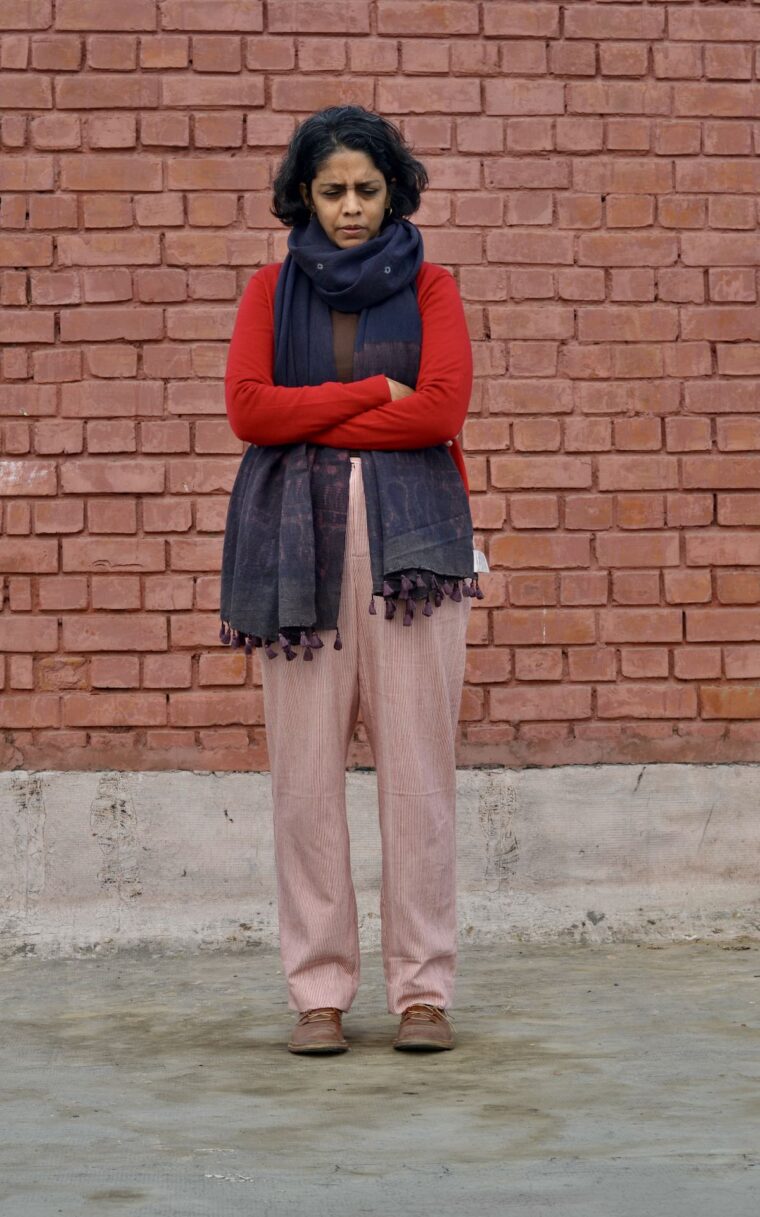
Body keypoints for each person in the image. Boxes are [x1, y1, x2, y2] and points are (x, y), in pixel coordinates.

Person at [220, 105, 480, 1055]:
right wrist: (375, 393)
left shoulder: (435, 286)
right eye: (332, 190)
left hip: (412, 553)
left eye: (367, 189)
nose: (350, 207)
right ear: (303, 194)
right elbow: (250, 409)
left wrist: (307, 416)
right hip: (295, 551)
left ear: (394, 190)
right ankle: (319, 992)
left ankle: (422, 991)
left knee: (419, 775)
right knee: (303, 782)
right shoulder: (267, 289)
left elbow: (442, 410)